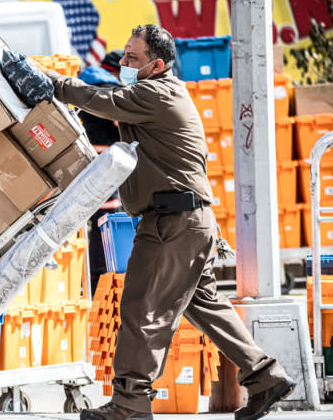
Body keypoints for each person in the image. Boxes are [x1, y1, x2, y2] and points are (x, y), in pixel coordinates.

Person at [41, 25, 294, 420]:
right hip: (190, 222)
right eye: (124, 54)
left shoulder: (154, 93)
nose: (123, 63)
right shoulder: (163, 92)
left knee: (142, 311)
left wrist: (51, 84)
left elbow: (101, 98)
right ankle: (265, 376)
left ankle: (130, 403)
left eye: (132, 58)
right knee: (205, 305)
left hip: (170, 224)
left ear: (156, 65)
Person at [75, 50, 124, 295]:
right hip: (106, 163)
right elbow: (122, 123)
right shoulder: (111, 89)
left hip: (87, 159)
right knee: (106, 221)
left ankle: (91, 280)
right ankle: (100, 280)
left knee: (94, 221)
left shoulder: (89, 84)